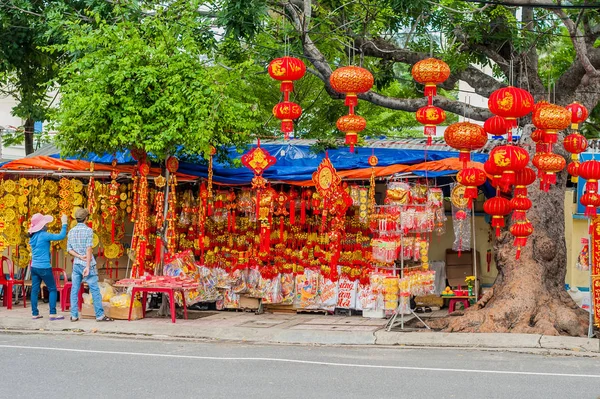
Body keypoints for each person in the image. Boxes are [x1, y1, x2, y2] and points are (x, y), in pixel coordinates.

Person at [67, 208, 113, 322]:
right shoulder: (88, 231)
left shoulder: (71, 231)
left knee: (74, 289)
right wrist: (87, 266)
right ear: (86, 218)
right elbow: (89, 249)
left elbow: (69, 250)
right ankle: (99, 315)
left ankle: (74, 315)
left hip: (77, 264)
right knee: (94, 290)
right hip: (88, 264)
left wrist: (78, 256)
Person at [29, 212, 68, 320]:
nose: (47, 225)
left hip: (34, 267)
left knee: (34, 290)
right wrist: (64, 223)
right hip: (44, 267)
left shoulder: (32, 237)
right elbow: (61, 236)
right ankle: (52, 313)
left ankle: (35, 313)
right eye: (45, 223)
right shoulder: (44, 235)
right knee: (52, 289)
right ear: (42, 226)